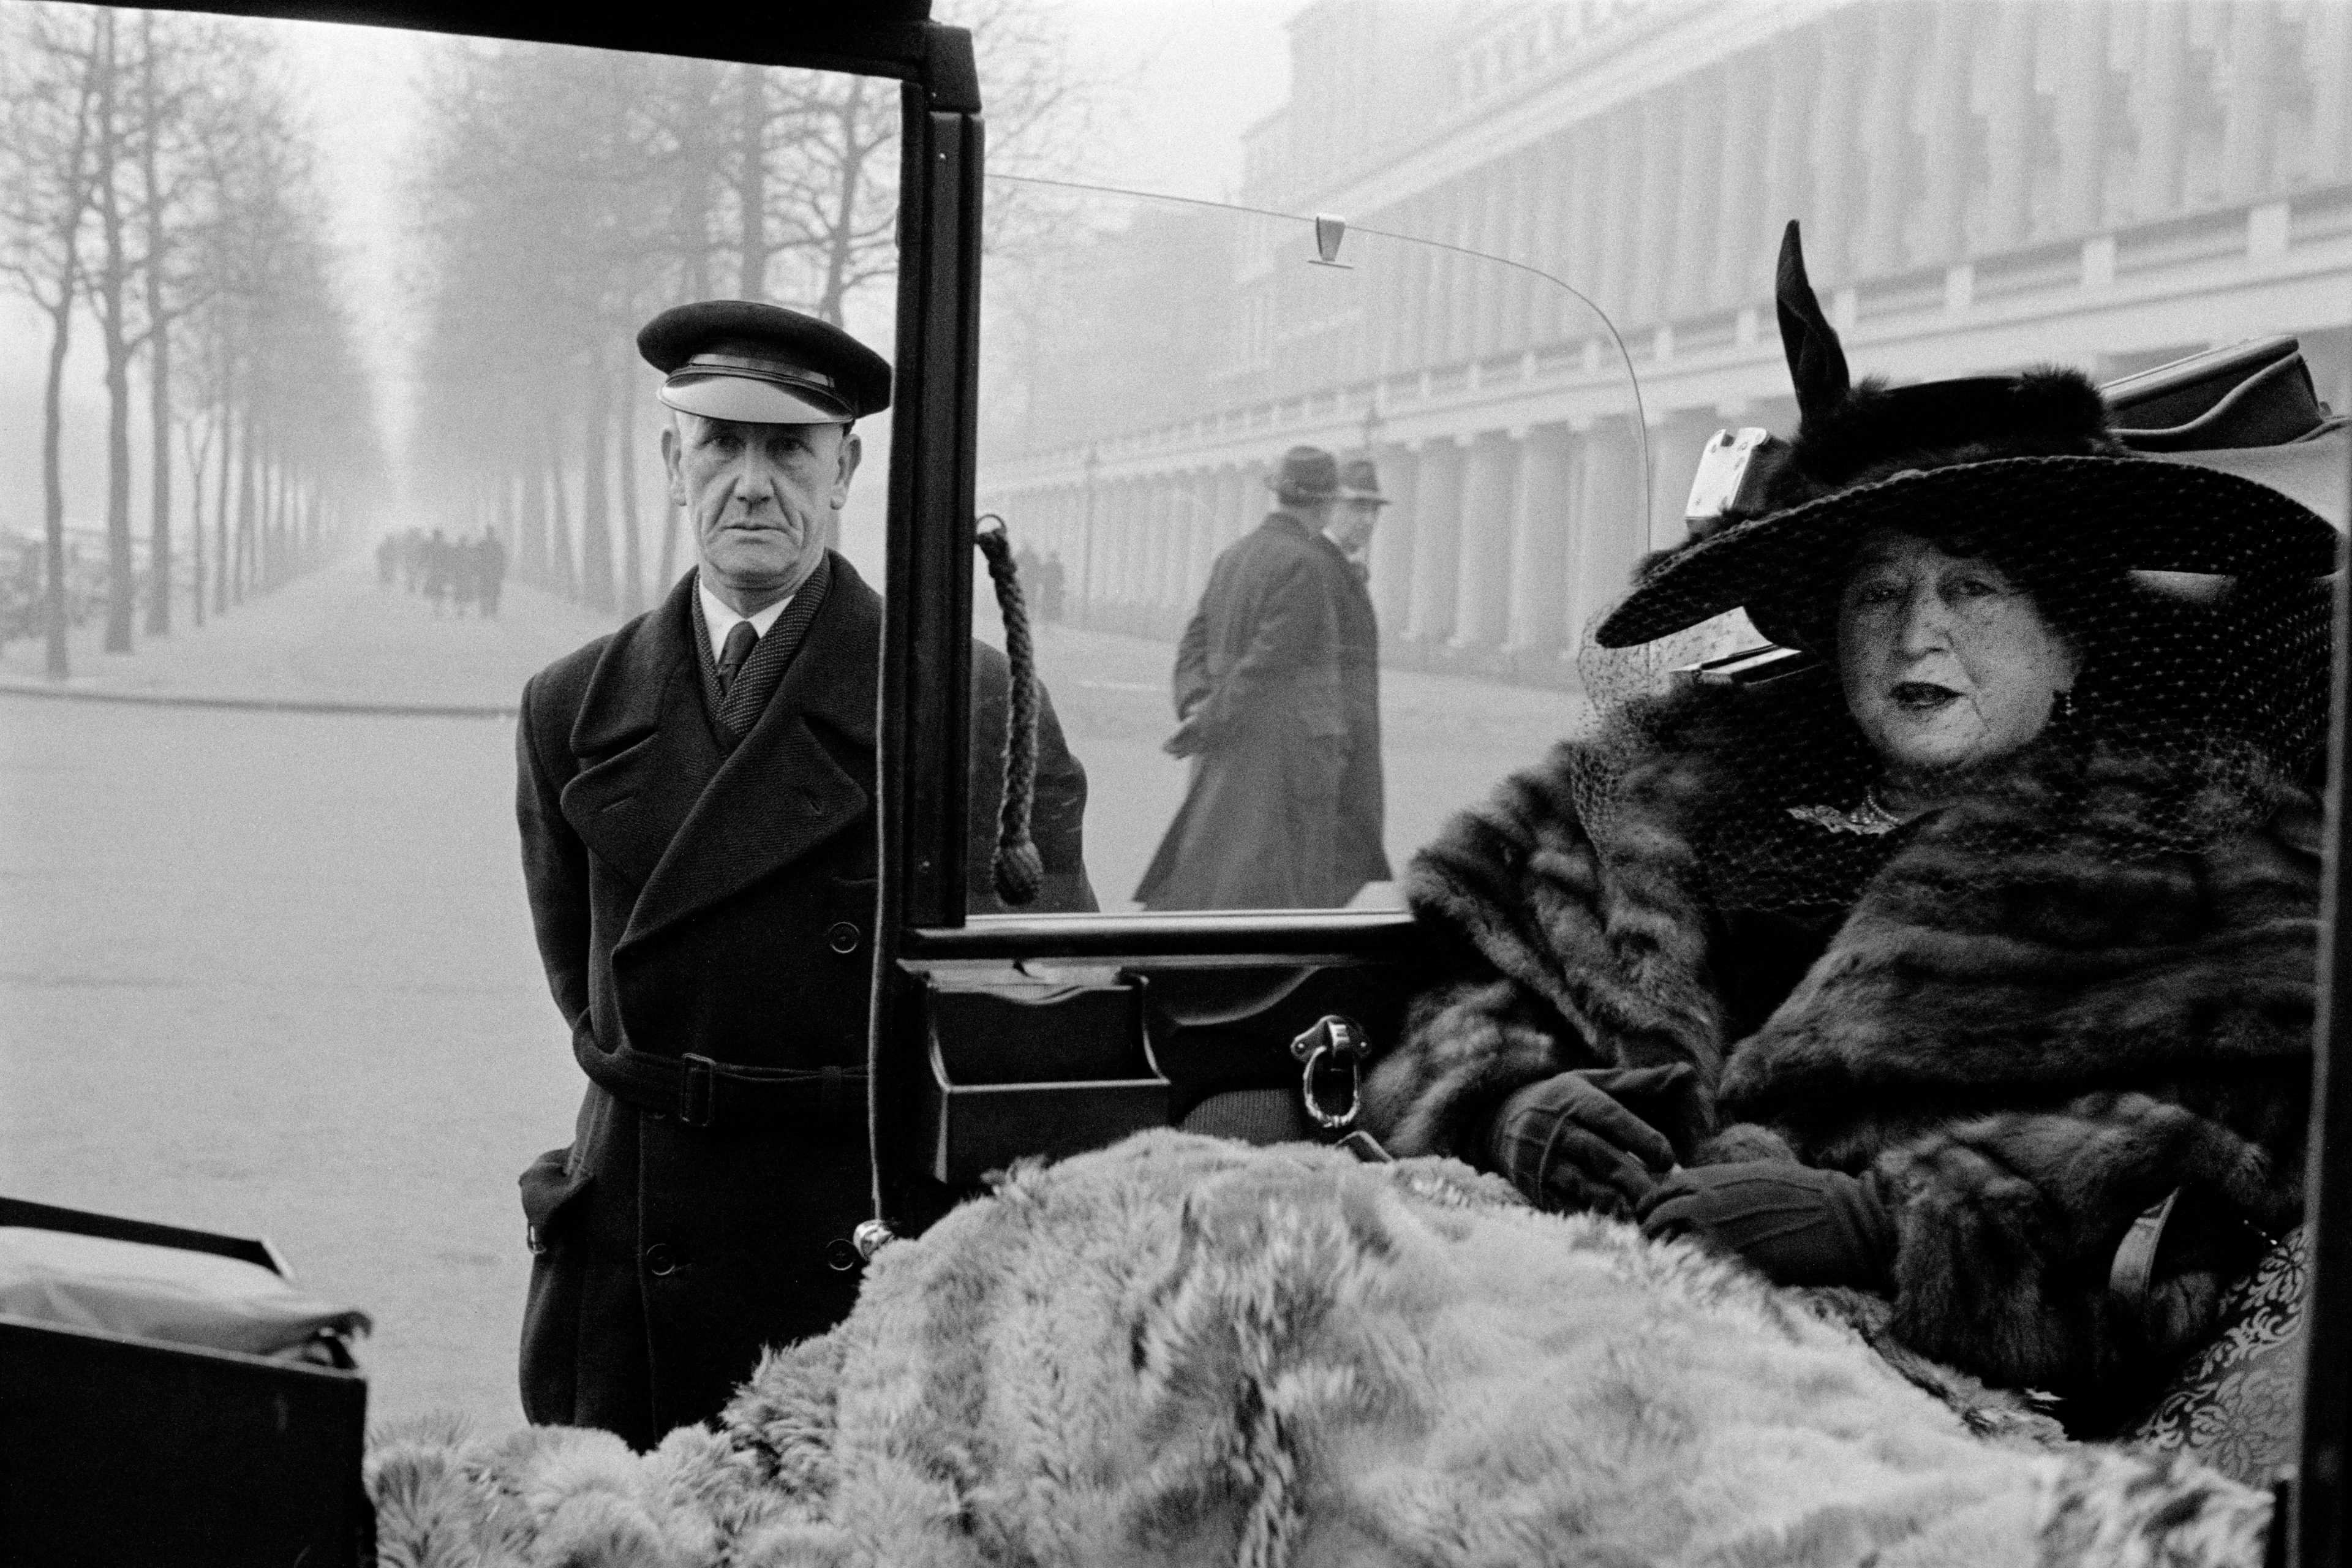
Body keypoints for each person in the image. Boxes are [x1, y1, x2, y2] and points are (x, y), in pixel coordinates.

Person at [1362, 224, 2335, 1423]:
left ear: (2071, 631)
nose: (1916, 634)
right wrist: (1515, 1107)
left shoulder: (2198, 830)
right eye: (1880, 592)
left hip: (1921, 1403)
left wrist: (1880, 1221)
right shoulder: (1666, 785)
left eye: (1972, 589)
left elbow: (2235, 1156)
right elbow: (1461, 996)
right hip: (1567, 1310)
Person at [513, 298, 1095, 1449]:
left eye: (790, 449)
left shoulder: (959, 704)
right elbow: (586, 986)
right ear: (673, 461)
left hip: (863, 1244)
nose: (752, 482)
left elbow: (1044, 1011)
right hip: (636, 1245)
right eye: (721, 444)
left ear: (847, 470)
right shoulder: (570, 705)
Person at [1134, 445, 1371, 910]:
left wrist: (1196, 706)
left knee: (1212, 870)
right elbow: (1269, 663)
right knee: (1270, 890)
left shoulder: (1234, 556)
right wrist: (1207, 720)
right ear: (1324, 504)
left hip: (1223, 743)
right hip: (1279, 754)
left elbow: (1193, 644)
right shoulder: (1307, 564)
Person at [1327, 456, 1392, 900]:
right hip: (1335, 748)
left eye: (1372, 510)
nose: (1367, 520)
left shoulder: (1344, 568)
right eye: (1356, 507)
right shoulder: (1320, 568)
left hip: (1352, 747)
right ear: (1328, 506)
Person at [477, 529, 507, 619]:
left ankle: (487, 611)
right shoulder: (497, 545)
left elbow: (501, 559)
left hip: (488, 572)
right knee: (489, 592)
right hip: (490, 572)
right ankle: (489, 611)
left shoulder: (483, 544)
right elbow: (502, 559)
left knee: (489, 592)